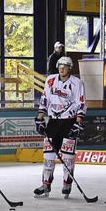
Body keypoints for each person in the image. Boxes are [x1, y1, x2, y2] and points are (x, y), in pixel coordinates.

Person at [34, 56, 87, 199]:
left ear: (70, 68)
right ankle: (46, 184)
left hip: (69, 122)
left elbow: (81, 103)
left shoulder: (77, 83)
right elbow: (45, 99)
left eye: (65, 66)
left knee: (68, 157)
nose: (62, 68)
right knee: (48, 156)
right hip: (53, 122)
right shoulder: (51, 80)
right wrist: (40, 118)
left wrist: (78, 122)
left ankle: (67, 183)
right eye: (60, 66)